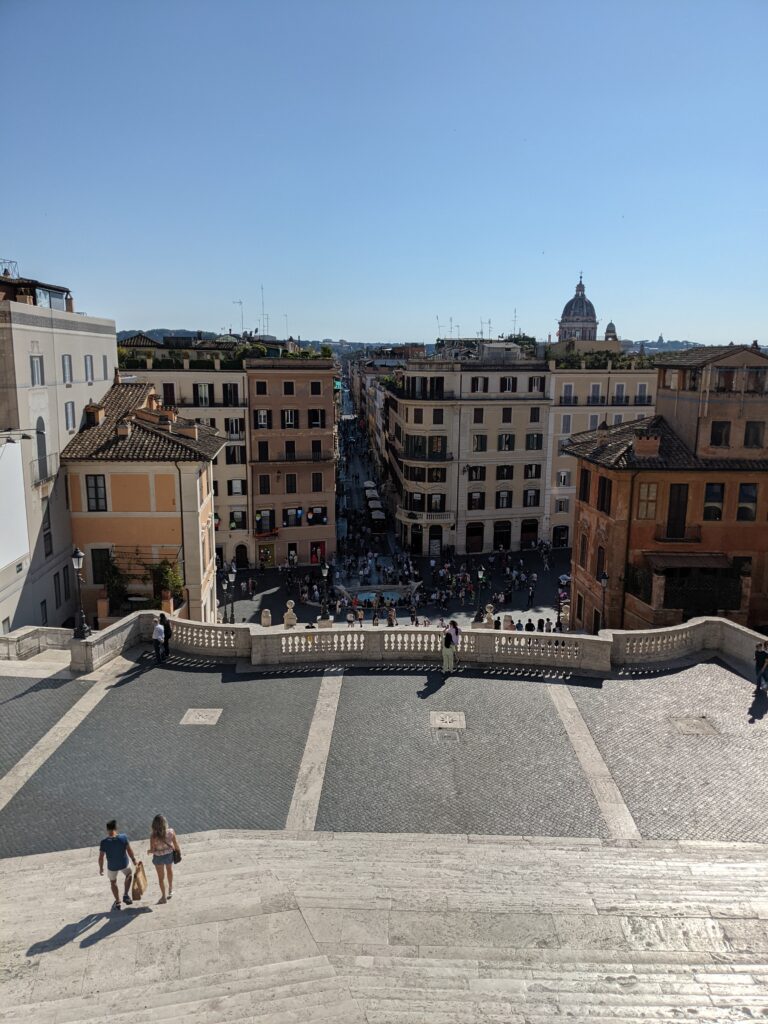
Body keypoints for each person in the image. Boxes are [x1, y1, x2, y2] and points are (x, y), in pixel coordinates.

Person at [98, 820, 137, 911]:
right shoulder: (123, 837)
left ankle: (118, 901)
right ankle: (126, 894)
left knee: (113, 882)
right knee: (129, 874)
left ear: (107, 829)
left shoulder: (104, 842)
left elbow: (101, 858)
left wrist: (101, 868)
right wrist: (134, 860)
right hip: (124, 864)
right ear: (116, 828)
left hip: (112, 866)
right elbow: (129, 850)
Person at [147, 814, 180, 905]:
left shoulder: (153, 836)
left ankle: (163, 897)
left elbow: (153, 850)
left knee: (161, 878)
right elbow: (176, 844)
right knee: (169, 870)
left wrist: (149, 851)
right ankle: (170, 889)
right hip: (169, 855)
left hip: (158, 858)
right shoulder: (171, 832)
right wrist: (178, 852)